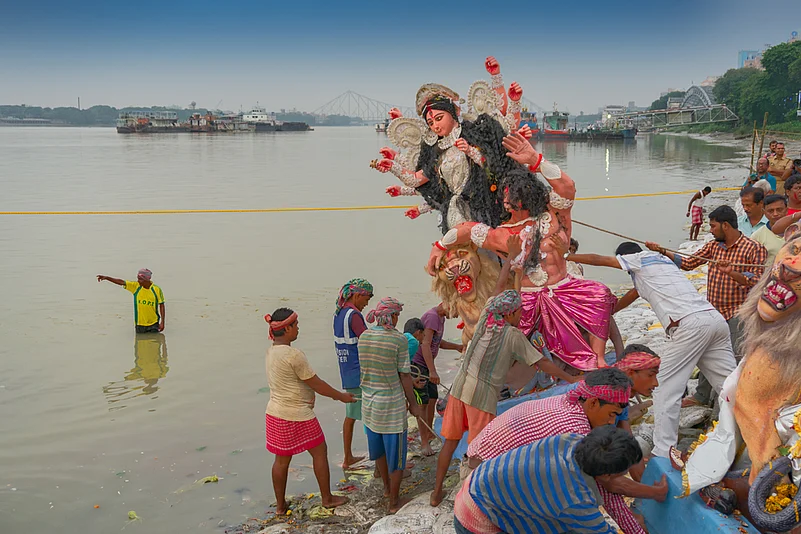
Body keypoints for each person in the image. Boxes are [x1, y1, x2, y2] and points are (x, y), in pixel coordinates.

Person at [428, 146, 618, 371]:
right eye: (505, 194)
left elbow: (568, 187)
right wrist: (439, 247)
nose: (506, 198)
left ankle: (598, 357)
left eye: (511, 193)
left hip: (565, 286)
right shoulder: (503, 233)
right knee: (499, 335)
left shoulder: (552, 214)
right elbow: (467, 229)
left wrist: (536, 160)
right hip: (529, 299)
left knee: (600, 295)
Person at [566, 239, 737, 457]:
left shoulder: (637, 259)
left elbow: (598, 260)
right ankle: (756, 424)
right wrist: (601, 315)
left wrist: (566, 257)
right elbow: (629, 297)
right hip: (713, 319)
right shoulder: (659, 263)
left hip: (689, 324)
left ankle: (664, 450)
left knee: (665, 385)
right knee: (730, 385)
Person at [466, 368, 665, 534]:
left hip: (491, 473)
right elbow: (609, 487)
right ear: (594, 402)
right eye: (611, 414)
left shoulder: (576, 402)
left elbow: (607, 481)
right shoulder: (574, 431)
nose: (611, 422)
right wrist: (639, 522)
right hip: (484, 478)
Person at [431, 289, 579, 506]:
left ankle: (436, 494)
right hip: (480, 394)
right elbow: (542, 363)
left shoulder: (484, 320)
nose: (521, 316)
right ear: (509, 314)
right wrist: (570, 378)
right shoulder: (512, 335)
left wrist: (511, 265)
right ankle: (473, 499)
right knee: (480, 448)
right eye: (519, 311)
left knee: (451, 442)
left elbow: (497, 290)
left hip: (458, 389)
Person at [646, 205, 765, 408]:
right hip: (713, 312)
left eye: (713, 225)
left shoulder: (753, 248)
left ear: (725, 226)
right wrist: (662, 251)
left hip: (739, 312)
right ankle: (702, 396)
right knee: (706, 353)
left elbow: (757, 282)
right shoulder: (713, 247)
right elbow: (688, 263)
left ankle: (729, 403)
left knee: (734, 358)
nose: (710, 230)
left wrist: (732, 273)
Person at [454, 426, 643, 534]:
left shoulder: (573, 439)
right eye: (622, 473)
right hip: (477, 516)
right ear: (606, 475)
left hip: (482, 481)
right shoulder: (577, 500)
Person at [263, 308, 354, 515]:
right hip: (297, 413)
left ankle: (280, 507)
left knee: (281, 460)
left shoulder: (271, 351)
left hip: (275, 412)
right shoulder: (294, 355)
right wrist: (341, 396)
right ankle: (328, 498)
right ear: (286, 328)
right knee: (319, 451)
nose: (298, 328)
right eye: (295, 325)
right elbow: (316, 384)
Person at [358, 297, 422, 513]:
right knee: (397, 458)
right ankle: (394, 502)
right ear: (393, 316)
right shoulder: (398, 340)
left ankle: (387, 489)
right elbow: (405, 375)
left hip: (369, 405)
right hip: (392, 408)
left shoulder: (364, 337)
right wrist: (413, 404)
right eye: (397, 315)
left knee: (380, 453)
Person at [412, 302, 464, 456]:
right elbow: (425, 345)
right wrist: (432, 372)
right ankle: (424, 442)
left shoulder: (440, 319)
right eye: (456, 312)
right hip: (419, 363)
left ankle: (428, 432)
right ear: (448, 305)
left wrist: (457, 347)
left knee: (433, 398)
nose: (455, 316)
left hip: (427, 365)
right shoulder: (432, 317)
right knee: (423, 403)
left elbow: (437, 342)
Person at [332, 278, 373, 469]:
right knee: (371, 416)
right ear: (357, 295)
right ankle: (377, 457)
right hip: (360, 372)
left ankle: (348, 457)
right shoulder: (354, 315)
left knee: (351, 415)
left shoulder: (339, 313)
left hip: (346, 370)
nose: (367, 303)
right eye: (367, 298)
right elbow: (367, 341)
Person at [97, 269, 166, 333]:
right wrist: (107, 278)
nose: (138, 281)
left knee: (155, 343)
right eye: (138, 278)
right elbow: (121, 282)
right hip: (139, 324)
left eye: (141, 279)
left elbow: (162, 305)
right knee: (140, 344)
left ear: (147, 279)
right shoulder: (135, 286)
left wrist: (162, 322)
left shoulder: (156, 290)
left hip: (153, 324)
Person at [750, 194, 789, 265]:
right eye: (771, 211)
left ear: (787, 210)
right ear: (764, 212)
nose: (775, 214)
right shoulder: (757, 236)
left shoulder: (797, 230)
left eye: (779, 210)